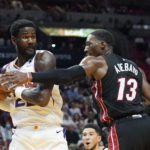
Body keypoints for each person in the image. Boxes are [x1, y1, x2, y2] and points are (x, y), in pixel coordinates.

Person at [1, 29, 150, 150]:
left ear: (102, 46)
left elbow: (66, 75)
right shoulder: (136, 68)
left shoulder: (98, 62)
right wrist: (133, 107)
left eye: (89, 44)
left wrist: (28, 76)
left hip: (123, 128)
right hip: (145, 123)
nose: (85, 49)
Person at [0, 19, 68, 150]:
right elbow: (12, 105)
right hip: (21, 135)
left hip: (49, 133)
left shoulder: (43, 58)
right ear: (14, 40)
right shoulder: (6, 70)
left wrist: (15, 90)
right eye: (25, 37)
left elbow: (42, 99)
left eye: (33, 37)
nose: (31, 41)